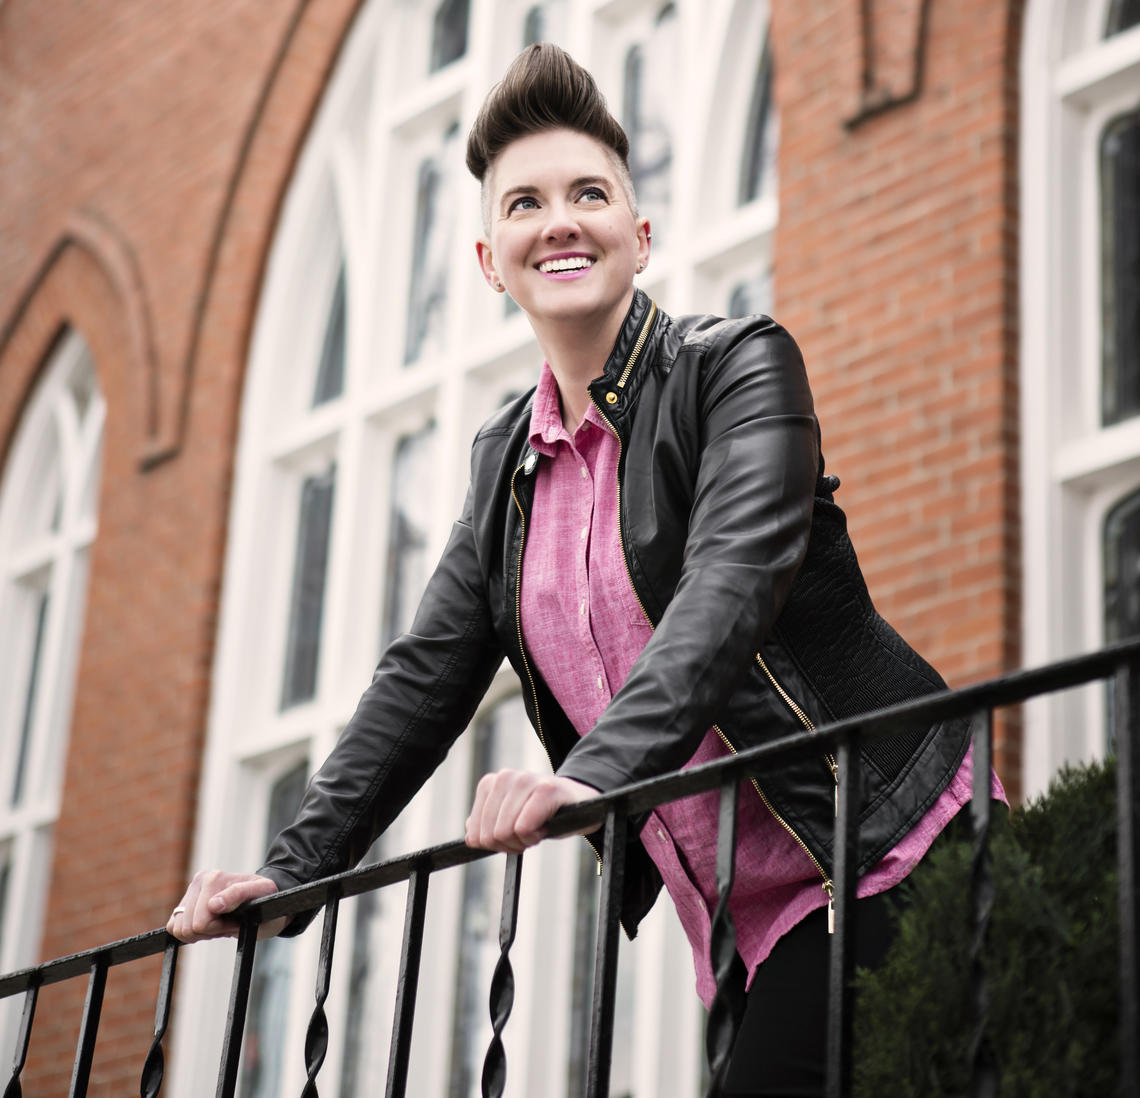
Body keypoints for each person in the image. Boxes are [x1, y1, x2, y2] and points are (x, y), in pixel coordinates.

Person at [169, 43, 1001, 1095]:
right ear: (487, 258)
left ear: (638, 236)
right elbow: (421, 682)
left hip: (890, 852)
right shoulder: (504, 470)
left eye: (588, 193)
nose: (558, 219)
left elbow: (732, 587)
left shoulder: (738, 369)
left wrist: (591, 774)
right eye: (524, 203)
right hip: (749, 930)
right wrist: (295, 871)